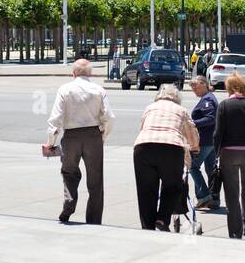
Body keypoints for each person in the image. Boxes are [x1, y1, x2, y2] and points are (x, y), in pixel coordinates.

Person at [45, 58, 116, 224]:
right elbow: (110, 117)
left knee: (69, 173)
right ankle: (94, 220)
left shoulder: (65, 89)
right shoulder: (98, 89)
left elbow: (55, 120)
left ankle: (69, 204)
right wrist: (102, 136)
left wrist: (51, 142)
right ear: (91, 74)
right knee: (96, 181)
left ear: (73, 73)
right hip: (93, 136)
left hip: (71, 137)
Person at [132, 83, 199, 231]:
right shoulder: (181, 110)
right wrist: (195, 147)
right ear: (177, 97)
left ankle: (147, 226)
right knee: (173, 186)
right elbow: (192, 132)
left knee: (146, 190)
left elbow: (142, 126)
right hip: (171, 147)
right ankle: (162, 219)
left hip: (143, 147)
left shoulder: (150, 107)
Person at [213, 73, 245, 239]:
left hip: (229, 153)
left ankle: (235, 231)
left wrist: (216, 153)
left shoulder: (224, 106)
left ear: (229, 88)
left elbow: (217, 134)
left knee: (232, 193)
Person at [188, 75, 219, 210]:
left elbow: (210, 118)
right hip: (211, 140)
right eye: (191, 86)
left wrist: (193, 123)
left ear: (204, 84)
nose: (193, 88)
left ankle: (204, 196)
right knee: (211, 170)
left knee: (192, 166)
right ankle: (214, 198)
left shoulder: (207, 100)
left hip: (205, 140)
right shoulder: (208, 98)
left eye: (195, 85)